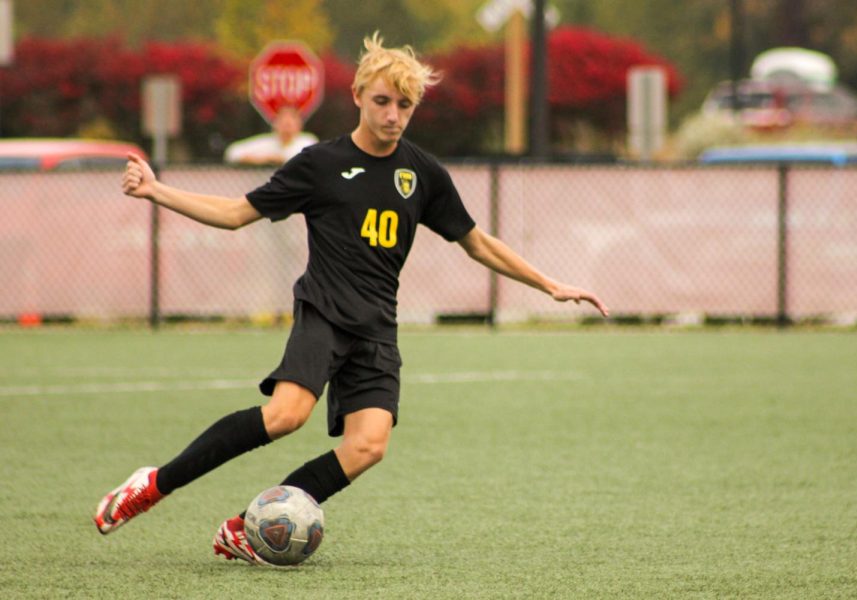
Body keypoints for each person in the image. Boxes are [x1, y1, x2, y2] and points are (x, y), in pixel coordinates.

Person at [97, 32, 608, 566]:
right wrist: (157, 190)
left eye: (404, 105)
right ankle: (154, 484)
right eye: (383, 101)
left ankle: (249, 528)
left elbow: (476, 242)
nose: (393, 115)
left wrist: (550, 284)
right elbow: (234, 214)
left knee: (369, 446)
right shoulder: (319, 164)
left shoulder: (423, 173)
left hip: (377, 327)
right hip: (325, 313)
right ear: (359, 95)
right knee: (286, 416)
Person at [224, 105, 318, 165]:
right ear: (275, 125)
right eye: (283, 123)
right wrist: (261, 159)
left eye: (290, 124)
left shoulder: (307, 141)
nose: (286, 128)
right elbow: (232, 153)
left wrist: (279, 159)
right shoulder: (266, 142)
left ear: (299, 126)